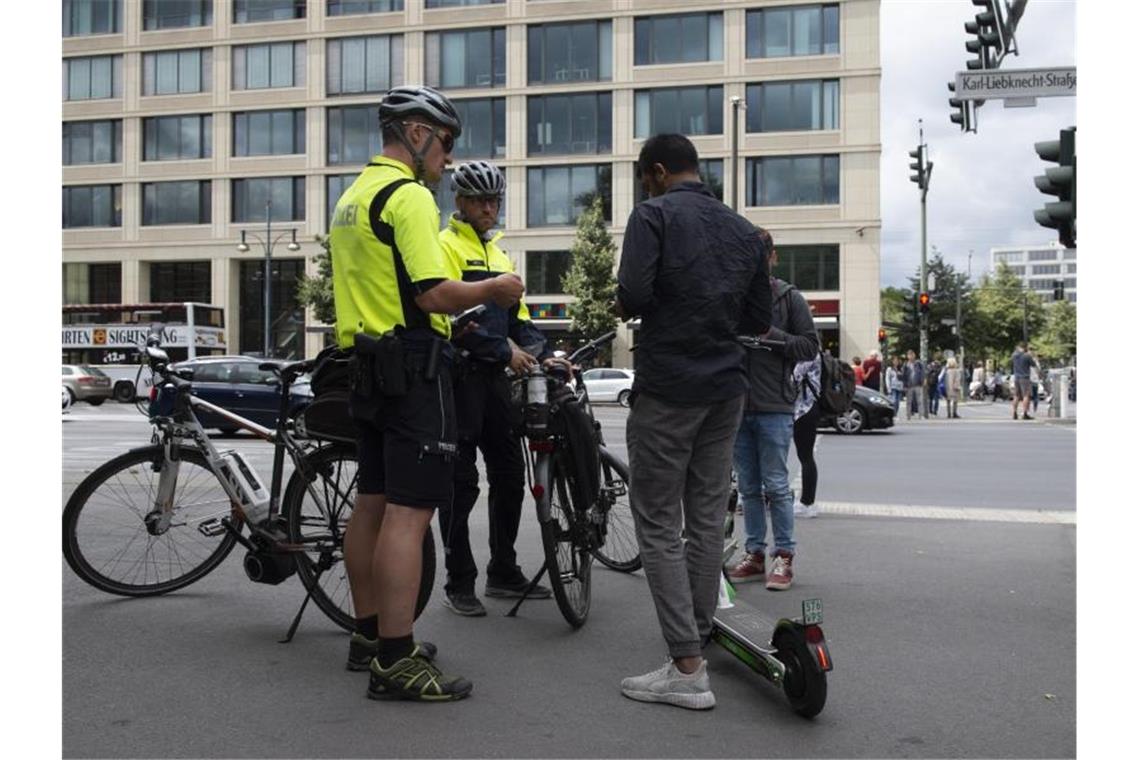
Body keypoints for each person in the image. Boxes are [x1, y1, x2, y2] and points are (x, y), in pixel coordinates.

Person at [330, 85, 525, 702]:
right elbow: (432, 293)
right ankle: (396, 657)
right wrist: (492, 288)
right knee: (409, 517)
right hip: (413, 369)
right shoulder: (408, 196)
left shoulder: (352, 197)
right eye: (445, 141)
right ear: (416, 133)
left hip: (363, 365)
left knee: (372, 503)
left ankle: (369, 636)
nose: (446, 157)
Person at [615, 134, 772, 711]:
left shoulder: (651, 217)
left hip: (669, 386)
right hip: (726, 388)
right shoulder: (743, 230)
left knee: (656, 521)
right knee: (706, 519)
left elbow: (633, 293)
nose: (645, 188)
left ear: (656, 172)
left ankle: (686, 666)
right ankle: (697, 640)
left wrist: (627, 303)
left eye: (644, 178)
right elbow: (758, 316)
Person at [435, 161, 566, 616]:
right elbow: (452, 320)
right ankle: (459, 581)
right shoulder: (444, 246)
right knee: (461, 484)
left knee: (510, 475)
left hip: (494, 382)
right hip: (457, 379)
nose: (491, 208)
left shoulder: (499, 253)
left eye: (495, 201)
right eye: (481, 201)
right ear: (461, 202)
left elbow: (518, 318)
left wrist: (540, 350)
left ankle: (503, 570)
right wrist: (505, 352)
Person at [727, 233, 819, 592]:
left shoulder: (788, 297)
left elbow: (809, 346)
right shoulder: (730, 297)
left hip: (774, 405)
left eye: (757, 257)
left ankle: (784, 555)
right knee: (748, 488)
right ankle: (754, 554)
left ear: (772, 258)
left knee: (777, 486)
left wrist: (769, 334)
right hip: (735, 404)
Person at [792, 354, 823, 519]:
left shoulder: (808, 353)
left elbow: (794, 376)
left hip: (804, 409)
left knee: (805, 457)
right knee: (806, 456)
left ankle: (807, 503)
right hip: (809, 409)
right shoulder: (814, 352)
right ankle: (808, 502)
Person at [1010, 343, 1038, 420]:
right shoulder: (1027, 356)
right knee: (1026, 395)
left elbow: (1012, 361)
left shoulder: (1014, 356)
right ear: (1024, 348)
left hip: (1016, 377)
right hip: (1025, 378)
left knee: (1016, 396)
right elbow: (1034, 365)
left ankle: (1014, 412)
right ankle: (1025, 413)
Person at [904, 350, 926, 420]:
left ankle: (921, 415)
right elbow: (904, 376)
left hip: (918, 384)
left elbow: (923, 373)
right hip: (909, 385)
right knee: (909, 401)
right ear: (907, 356)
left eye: (912, 355)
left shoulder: (919, 364)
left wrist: (923, 381)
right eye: (909, 355)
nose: (910, 356)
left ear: (914, 355)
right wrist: (904, 385)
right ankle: (908, 415)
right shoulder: (906, 365)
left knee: (920, 401)